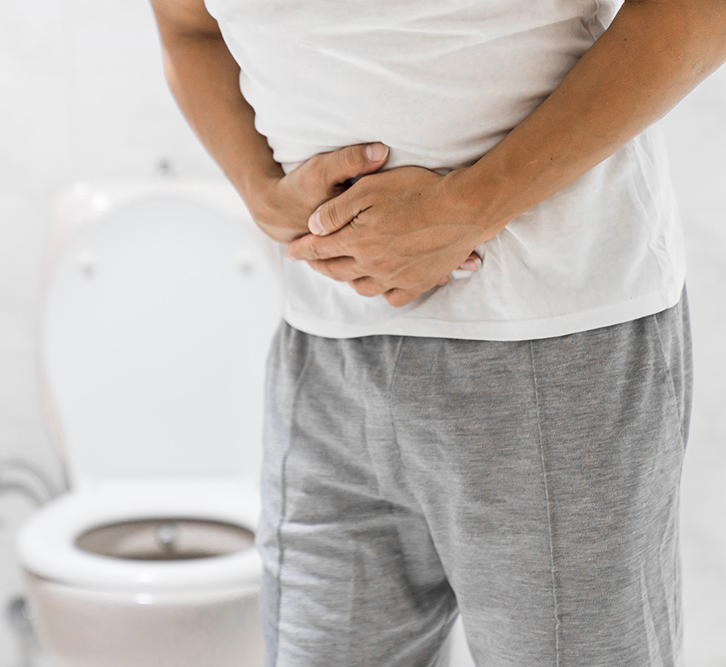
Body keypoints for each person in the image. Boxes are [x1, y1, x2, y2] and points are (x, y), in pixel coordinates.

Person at [149, 0, 725, 664]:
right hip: (326, 360)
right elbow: (188, 28)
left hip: (556, 345)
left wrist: (471, 205)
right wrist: (259, 189)